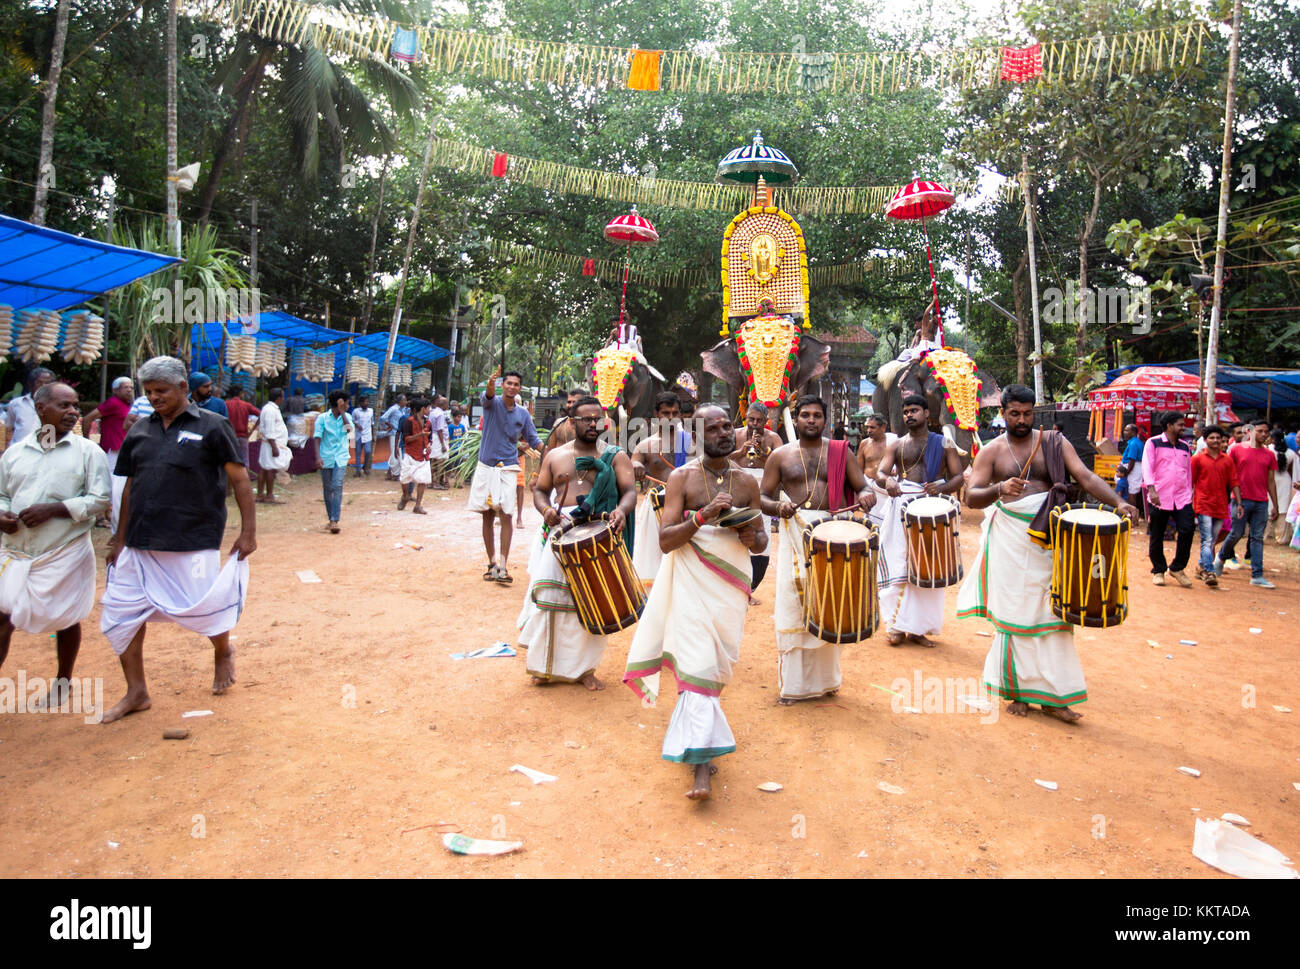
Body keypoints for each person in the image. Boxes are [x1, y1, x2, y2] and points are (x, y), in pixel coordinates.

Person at [957, 385, 1137, 724]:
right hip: (1010, 540)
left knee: (1054, 615)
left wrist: (1119, 502)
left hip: (1051, 538)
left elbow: (1084, 477)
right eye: (1015, 413)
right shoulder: (992, 451)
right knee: (1016, 615)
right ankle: (1018, 692)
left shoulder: (1054, 442)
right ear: (1004, 412)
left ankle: (1054, 697)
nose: (1022, 420)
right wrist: (999, 488)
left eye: (1027, 413)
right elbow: (972, 496)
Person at [100, 356, 256, 723]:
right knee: (122, 614)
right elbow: (128, 488)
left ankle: (221, 651)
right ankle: (136, 692)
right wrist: (119, 538)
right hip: (140, 540)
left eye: (162, 391)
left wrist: (248, 531)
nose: (154, 398)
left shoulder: (213, 426)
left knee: (206, 607)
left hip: (193, 536)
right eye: (149, 391)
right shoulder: (138, 431)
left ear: (183, 388)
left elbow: (240, 481)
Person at [624, 404, 766, 801]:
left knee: (714, 668)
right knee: (698, 664)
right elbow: (666, 540)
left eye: (728, 426)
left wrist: (753, 540)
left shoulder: (746, 482)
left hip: (730, 587)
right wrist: (701, 518)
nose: (724, 432)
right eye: (714, 427)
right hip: (689, 581)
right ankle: (701, 766)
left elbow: (760, 539)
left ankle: (698, 744)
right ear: (696, 434)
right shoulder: (682, 479)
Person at [0, 382, 111, 707]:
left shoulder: (88, 452)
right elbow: (3, 493)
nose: (73, 412)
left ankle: (63, 682)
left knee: (67, 617)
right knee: (3, 617)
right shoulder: (15, 453)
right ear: (40, 409)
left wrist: (57, 509)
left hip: (66, 549)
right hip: (17, 550)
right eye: (64, 405)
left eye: (75, 405)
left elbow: (100, 499)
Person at [760, 395, 875, 704]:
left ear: (826, 420)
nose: (811, 420)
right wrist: (778, 506)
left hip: (833, 531)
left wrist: (866, 496)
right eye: (805, 415)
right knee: (793, 600)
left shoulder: (841, 452)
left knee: (829, 599)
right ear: (796, 420)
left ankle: (826, 682)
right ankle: (794, 687)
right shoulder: (780, 456)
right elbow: (764, 497)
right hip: (796, 530)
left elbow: (862, 486)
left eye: (817, 416)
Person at [518, 396, 636, 688]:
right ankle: (542, 666)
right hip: (561, 532)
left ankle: (584, 670)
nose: (593, 424)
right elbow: (541, 491)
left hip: (598, 533)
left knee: (592, 601)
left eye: (598, 419)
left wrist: (621, 511)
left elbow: (630, 491)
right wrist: (546, 510)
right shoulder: (556, 456)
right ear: (572, 422)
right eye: (586, 419)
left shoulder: (616, 455)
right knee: (551, 600)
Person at [873, 393, 965, 647]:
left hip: (930, 510)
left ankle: (917, 629)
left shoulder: (943, 443)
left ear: (927, 414)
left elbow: (958, 477)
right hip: (900, 508)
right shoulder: (897, 444)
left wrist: (941, 487)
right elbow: (881, 471)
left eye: (914, 410)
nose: (909, 415)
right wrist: (888, 480)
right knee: (898, 566)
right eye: (905, 412)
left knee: (926, 568)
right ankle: (895, 626)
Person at [468, 367, 542, 584]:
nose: (511, 387)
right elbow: (488, 394)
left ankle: (503, 565)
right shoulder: (491, 403)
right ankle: (491, 563)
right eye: (508, 383)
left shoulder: (523, 414)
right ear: (502, 385)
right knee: (487, 515)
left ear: (519, 388)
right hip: (486, 466)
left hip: (508, 467)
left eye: (516, 384)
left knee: (507, 515)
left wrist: (551, 450)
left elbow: (534, 439)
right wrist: (490, 382)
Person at [632, 391, 693, 587]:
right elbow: (632, 464)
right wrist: (636, 467)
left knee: (686, 555)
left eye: (675, 413)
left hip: (687, 504)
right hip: (656, 506)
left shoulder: (692, 443)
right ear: (656, 414)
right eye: (666, 413)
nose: (671, 418)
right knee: (655, 556)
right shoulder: (645, 445)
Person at [1214, 419, 1280, 587]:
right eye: (1260, 431)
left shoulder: (1269, 455)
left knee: (1257, 537)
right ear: (1250, 431)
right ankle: (1221, 557)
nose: (1264, 434)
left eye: (1266, 432)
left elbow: (1271, 481)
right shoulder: (1236, 450)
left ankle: (1257, 575)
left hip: (1261, 502)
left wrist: (1275, 505)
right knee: (1236, 533)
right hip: (1240, 500)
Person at [727, 400, 782, 603]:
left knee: (761, 535)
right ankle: (733, 586)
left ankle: (750, 588)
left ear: (766, 421)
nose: (755, 424)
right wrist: (741, 452)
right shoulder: (735, 435)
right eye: (751, 419)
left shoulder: (773, 438)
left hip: (762, 490)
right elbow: (722, 460)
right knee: (734, 533)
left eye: (759, 421)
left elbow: (782, 464)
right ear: (746, 417)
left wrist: (764, 455)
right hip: (738, 486)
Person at [1142, 411, 1196, 588]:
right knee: (1157, 534)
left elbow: (1188, 472)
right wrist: (1152, 489)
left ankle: (1177, 567)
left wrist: (1189, 493)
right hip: (1159, 496)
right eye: (1180, 424)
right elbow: (1147, 466)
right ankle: (1158, 570)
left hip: (1182, 497)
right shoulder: (1153, 443)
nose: (1183, 427)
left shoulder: (1184, 447)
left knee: (1187, 530)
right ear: (1169, 426)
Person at [1190, 425, 1240, 588]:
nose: (1216, 440)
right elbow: (1190, 482)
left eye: (1218, 438)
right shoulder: (1197, 459)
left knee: (1211, 540)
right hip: (1203, 504)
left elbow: (1234, 482)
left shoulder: (1227, 460)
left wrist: (1239, 502)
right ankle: (1209, 571)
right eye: (1212, 438)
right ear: (1205, 440)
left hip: (1220, 505)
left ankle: (1201, 565)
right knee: (1208, 539)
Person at [82, 376, 134, 531]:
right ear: (116, 390)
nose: (129, 390)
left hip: (123, 450)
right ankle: (100, 516)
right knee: (110, 484)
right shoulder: (112, 403)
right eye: (126, 387)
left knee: (116, 484)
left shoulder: (128, 404)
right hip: (113, 451)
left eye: (131, 387)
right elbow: (88, 418)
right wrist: (87, 440)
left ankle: (108, 515)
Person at [314, 390, 353, 534]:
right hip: (326, 457)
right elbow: (317, 438)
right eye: (346, 403)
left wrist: (343, 414)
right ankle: (331, 517)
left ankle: (334, 520)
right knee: (328, 488)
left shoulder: (347, 417)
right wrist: (318, 457)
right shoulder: (322, 418)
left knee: (337, 485)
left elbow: (351, 434)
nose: (348, 406)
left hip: (341, 457)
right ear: (340, 403)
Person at [4, 367, 55, 448]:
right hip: (18, 452)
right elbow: (9, 427)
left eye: (47, 383)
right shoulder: (16, 404)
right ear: (30, 384)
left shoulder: (57, 406)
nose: (43, 386)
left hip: (44, 452)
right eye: (39, 382)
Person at [397, 398, 433, 514]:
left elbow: (430, 438)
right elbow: (406, 439)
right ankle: (405, 496)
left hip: (423, 455)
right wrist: (420, 435)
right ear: (423, 409)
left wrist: (429, 445)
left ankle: (418, 505)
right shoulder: (409, 422)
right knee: (405, 478)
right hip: (410, 453)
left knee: (423, 480)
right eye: (428, 407)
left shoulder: (428, 422)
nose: (430, 410)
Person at [256, 387, 290, 503]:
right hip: (271, 443)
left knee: (265, 469)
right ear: (279, 398)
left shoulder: (270, 409)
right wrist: (274, 447)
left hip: (271, 443)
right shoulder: (270, 410)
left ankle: (261, 495)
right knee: (269, 469)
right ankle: (268, 495)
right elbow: (269, 430)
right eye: (282, 396)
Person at [223, 386, 260, 467]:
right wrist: (252, 430)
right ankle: (245, 477)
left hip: (229, 436)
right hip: (243, 436)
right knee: (244, 461)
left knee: (229, 459)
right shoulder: (246, 405)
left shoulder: (225, 404)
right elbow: (261, 414)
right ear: (240, 394)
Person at [1115, 423, 1146, 518]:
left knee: (1132, 493)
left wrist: (1126, 473)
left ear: (1133, 432)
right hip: (1134, 468)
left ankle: (1132, 517)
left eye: (1127, 430)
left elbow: (1132, 460)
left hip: (1133, 469)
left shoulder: (1134, 443)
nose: (1124, 432)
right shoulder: (1135, 442)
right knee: (1133, 492)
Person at [857, 414, 898, 482]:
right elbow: (859, 470)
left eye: (872, 427)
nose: (869, 430)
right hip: (869, 484)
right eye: (867, 427)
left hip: (888, 486)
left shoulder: (893, 442)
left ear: (883, 427)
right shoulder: (864, 443)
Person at [379, 394, 408, 480]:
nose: (406, 402)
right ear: (400, 401)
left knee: (396, 452)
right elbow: (383, 418)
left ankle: (391, 472)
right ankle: (394, 473)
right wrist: (390, 425)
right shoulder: (394, 409)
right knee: (395, 452)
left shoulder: (403, 410)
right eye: (405, 400)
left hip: (400, 433)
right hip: (394, 433)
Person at [427, 395, 450, 489]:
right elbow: (440, 429)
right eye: (446, 404)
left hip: (434, 437)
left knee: (433, 461)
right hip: (439, 439)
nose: (447, 406)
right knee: (440, 461)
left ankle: (432, 481)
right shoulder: (440, 414)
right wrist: (443, 444)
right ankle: (437, 483)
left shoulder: (432, 412)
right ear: (443, 404)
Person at [351, 395, 375, 477]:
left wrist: (373, 434)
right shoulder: (356, 411)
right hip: (358, 435)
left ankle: (365, 467)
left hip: (368, 435)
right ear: (361, 403)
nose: (366, 403)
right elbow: (352, 420)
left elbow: (372, 423)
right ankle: (358, 471)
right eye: (365, 402)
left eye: (367, 402)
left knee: (368, 451)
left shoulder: (371, 411)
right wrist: (357, 424)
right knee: (358, 453)